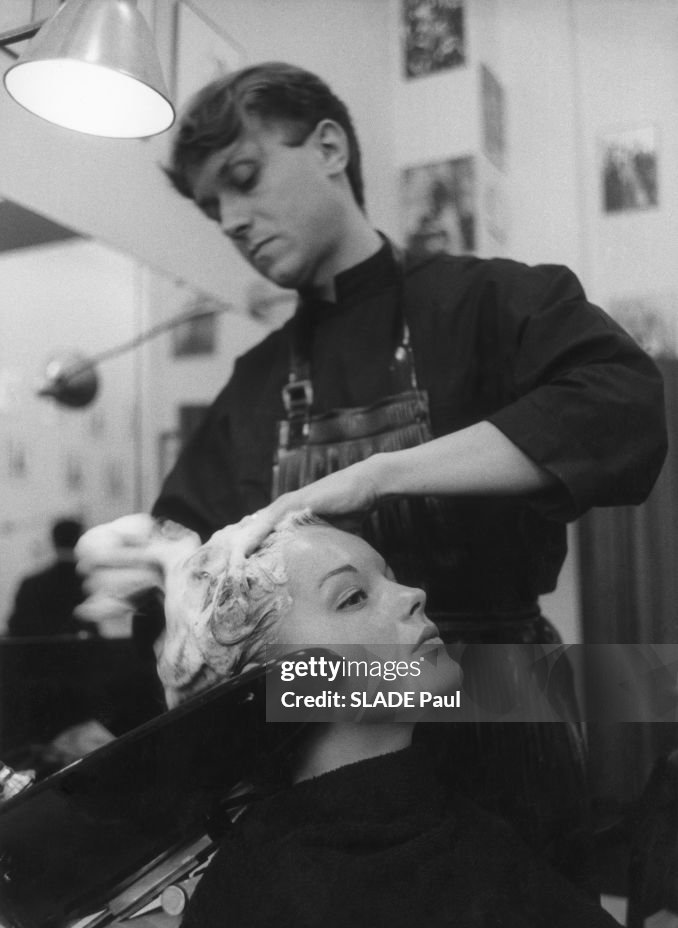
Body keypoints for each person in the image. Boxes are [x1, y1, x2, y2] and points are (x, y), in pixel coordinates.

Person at [76, 62, 667, 879]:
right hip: (330, 730)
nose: (233, 220)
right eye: (215, 208)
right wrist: (156, 555)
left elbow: (621, 407)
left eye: (244, 180)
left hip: (498, 696)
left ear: (329, 147)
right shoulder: (254, 382)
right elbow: (194, 538)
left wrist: (380, 474)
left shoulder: (486, 302)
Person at [150, 514, 662, 928]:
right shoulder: (286, 905)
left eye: (391, 577)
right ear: (289, 683)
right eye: (353, 597)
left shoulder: (450, 826)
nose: (413, 593)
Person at [7, 518, 97, 638]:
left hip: (36, 655)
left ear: (53, 541)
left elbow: (16, 629)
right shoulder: (90, 584)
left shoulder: (31, 584)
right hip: (81, 655)